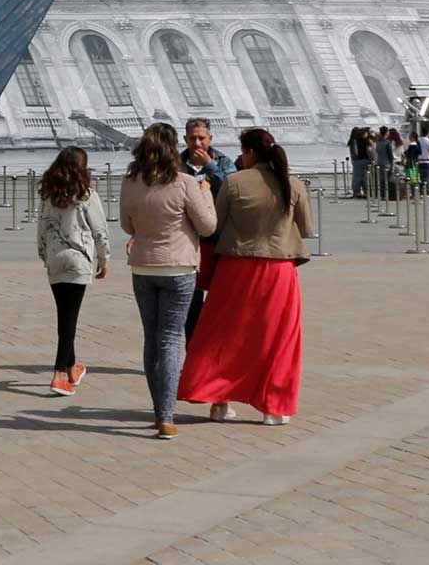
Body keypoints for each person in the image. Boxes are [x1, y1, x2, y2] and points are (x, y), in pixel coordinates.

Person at [178, 128, 309, 425]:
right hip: (279, 270)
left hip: (235, 268)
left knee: (223, 336)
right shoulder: (293, 183)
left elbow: (214, 225)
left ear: (248, 153)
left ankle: (219, 403)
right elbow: (306, 227)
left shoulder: (234, 182)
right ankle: (273, 408)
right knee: (279, 339)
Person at [119, 122, 215, 439]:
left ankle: (158, 409)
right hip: (178, 267)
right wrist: (205, 193)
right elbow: (207, 226)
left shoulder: (130, 182)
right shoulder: (185, 182)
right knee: (171, 339)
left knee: (152, 338)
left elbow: (126, 225)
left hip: (144, 267)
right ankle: (167, 415)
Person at [35, 145, 108, 395]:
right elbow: (99, 230)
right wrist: (104, 258)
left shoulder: (48, 195)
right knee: (69, 318)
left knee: (65, 315)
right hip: (78, 259)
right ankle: (58, 374)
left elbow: (41, 228)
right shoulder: (87, 195)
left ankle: (71, 367)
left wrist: (44, 255)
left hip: (55, 258)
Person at [179, 118, 232, 342]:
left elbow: (232, 188)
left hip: (217, 240)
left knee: (220, 300)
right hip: (189, 241)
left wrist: (210, 166)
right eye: (193, 138)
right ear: (185, 139)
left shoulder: (222, 162)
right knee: (190, 303)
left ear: (210, 139)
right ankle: (192, 350)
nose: (197, 143)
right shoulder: (177, 163)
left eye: (202, 138)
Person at [347, 126, 371, 198]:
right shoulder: (358, 140)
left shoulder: (351, 141)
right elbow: (357, 151)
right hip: (362, 160)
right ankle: (365, 191)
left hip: (355, 160)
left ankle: (356, 191)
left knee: (356, 176)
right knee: (364, 176)